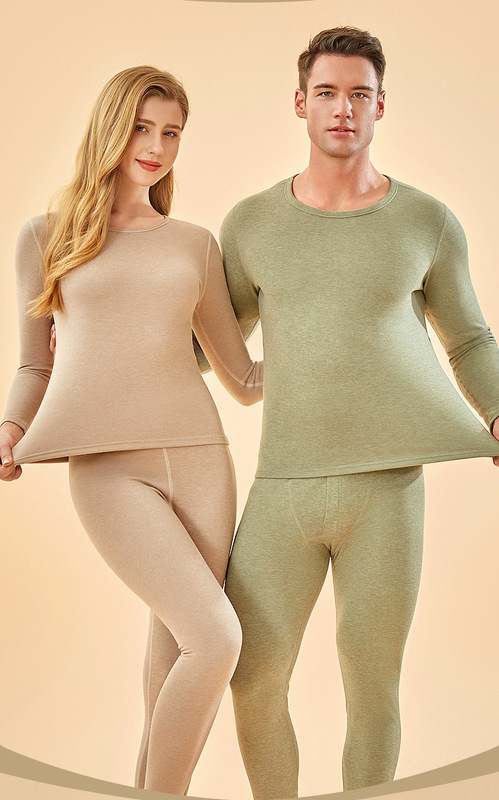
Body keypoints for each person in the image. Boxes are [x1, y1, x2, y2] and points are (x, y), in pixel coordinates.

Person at [196, 26, 499, 800]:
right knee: (252, 677)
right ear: (299, 103)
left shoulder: (427, 221)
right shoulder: (250, 224)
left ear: (379, 106)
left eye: (358, 94)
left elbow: (468, 339)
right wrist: (101, 334)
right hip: (283, 487)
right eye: (326, 93)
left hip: (387, 494)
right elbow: (209, 346)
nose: (342, 108)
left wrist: (497, 412)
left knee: (373, 689)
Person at [0, 65, 263, 795]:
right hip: (109, 469)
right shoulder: (45, 237)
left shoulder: (194, 244)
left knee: (180, 647)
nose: (156, 146)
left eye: (171, 133)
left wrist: (326, 345)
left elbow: (243, 378)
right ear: (110, 129)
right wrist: (11, 425)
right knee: (216, 638)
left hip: (202, 459)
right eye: (142, 128)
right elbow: (35, 365)